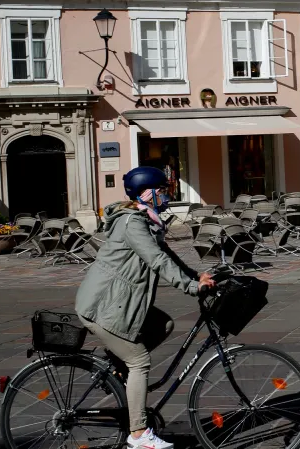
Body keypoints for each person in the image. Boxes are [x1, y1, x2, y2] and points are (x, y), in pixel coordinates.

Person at [75, 166, 215, 449]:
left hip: (118, 303)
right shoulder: (133, 222)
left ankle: (117, 369)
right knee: (139, 361)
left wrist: (195, 275)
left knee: (163, 324)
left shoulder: (145, 220)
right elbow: (156, 261)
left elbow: (167, 254)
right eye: (161, 191)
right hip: (103, 306)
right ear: (145, 193)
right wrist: (189, 288)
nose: (165, 196)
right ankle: (138, 434)